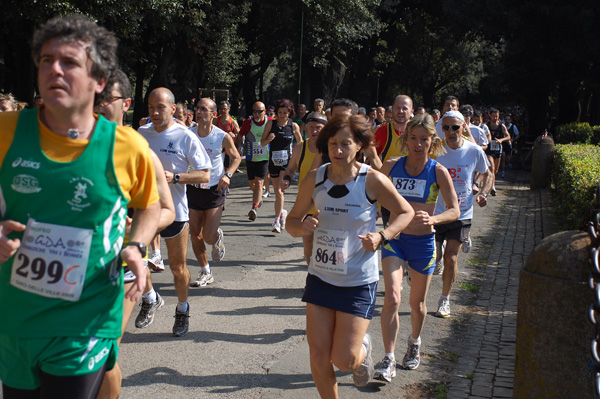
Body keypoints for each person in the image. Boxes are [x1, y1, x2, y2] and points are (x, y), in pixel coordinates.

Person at [0, 15, 161, 399]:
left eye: (69, 62)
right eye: (45, 60)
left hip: (86, 318)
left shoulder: (127, 146)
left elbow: (151, 206)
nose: (54, 68)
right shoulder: (5, 132)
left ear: (99, 81)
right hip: (15, 319)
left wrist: (136, 246)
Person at [286, 115, 415, 397]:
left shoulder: (372, 180)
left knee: (344, 360)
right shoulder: (314, 179)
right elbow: (291, 222)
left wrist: (383, 236)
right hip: (320, 276)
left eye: (346, 143)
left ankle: (363, 349)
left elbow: (406, 212)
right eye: (333, 143)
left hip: (357, 280)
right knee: (319, 357)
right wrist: (302, 225)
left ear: (360, 146)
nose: (338, 150)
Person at [94, 69, 176, 399]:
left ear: (125, 104)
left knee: (104, 349)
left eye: (105, 99)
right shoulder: (63, 142)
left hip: (121, 265)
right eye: (92, 97)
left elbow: (165, 209)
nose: (97, 106)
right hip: (70, 265)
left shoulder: (135, 147)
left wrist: (137, 233)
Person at [374, 114, 459, 381]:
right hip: (395, 242)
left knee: (417, 303)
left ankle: (414, 342)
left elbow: (455, 210)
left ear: (432, 141)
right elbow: (370, 194)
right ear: (406, 139)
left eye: (424, 139)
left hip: (423, 243)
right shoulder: (391, 166)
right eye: (413, 138)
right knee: (392, 298)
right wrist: (376, 214)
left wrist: (433, 218)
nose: (418, 144)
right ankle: (388, 359)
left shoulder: (437, 171)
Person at [137, 87, 211, 337]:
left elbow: (205, 174)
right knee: (136, 258)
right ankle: (150, 298)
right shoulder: (141, 133)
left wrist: (176, 177)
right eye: (150, 107)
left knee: (178, 269)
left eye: (160, 108)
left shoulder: (185, 136)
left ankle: (182, 308)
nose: (155, 112)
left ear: (172, 108)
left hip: (176, 212)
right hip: (146, 209)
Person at [433, 110, 492, 318]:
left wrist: (483, 192)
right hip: (437, 211)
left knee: (450, 258)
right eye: (446, 127)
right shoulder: (436, 150)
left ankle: (445, 299)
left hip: (462, 212)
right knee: (435, 257)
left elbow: (487, 172)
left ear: (464, 127)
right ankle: (436, 260)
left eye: (455, 127)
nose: (450, 132)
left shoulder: (474, 150)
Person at [188, 98, 241, 287]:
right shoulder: (189, 134)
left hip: (215, 189)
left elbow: (236, 158)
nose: (199, 111)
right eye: (197, 108)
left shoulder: (222, 136)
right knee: (195, 233)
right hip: (194, 188)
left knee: (208, 236)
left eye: (204, 109)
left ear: (213, 114)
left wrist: (227, 175)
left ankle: (217, 236)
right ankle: (205, 271)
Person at [281, 112, 327, 264]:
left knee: (327, 245)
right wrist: (286, 179)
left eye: (318, 128)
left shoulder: (332, 149)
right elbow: (290, 169)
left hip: (327, 204)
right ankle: (312, 275)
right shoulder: (300, 148)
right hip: (306, 203)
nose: (314, 131)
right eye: (311, 127)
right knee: (308, 244)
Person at [261, 99, 302, 232]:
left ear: (290, 113)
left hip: (287, 163)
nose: (282, 115)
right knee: (277, 192)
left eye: (285, 113)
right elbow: (262, 143)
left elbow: (300, 144)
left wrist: (297, 159)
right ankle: (282, 213)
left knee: (279, 191)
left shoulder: (293, 126)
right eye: (280, 112)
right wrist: (268, 139)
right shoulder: (270, 124)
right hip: (273, 162)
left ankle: (276, 221)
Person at [237, 101, 271, 221]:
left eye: (260, 111)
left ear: (264, 111)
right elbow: (240, 135)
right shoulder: (248, 122)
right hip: (251, 157)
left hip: (264, 158)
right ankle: (259, 197)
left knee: (259, 183)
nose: (257, 114)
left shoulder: (270, 122)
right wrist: (240, 147)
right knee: (252, 184)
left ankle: (254, 208)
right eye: (255, 111)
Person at [485, 108, 510, 195]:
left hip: (497, 149)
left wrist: (501, 140)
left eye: (496, 116)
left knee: (495, 170)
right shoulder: (486, 125)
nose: (495, 118)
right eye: (493, 116)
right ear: (490, 116)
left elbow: (508, 136)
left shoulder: (501, 126)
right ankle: (492, 186)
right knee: (491, 167)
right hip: (489, 149)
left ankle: (491, 183)